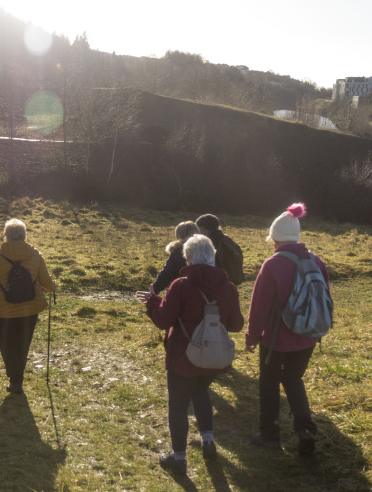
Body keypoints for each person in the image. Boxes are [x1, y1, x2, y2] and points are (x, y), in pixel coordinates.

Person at [135, 234, 243, 475]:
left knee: (178, 405)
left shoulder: (180, 285)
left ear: (189, 258)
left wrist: (153, 303)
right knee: (201, 391)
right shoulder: (229, 288)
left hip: (182, 358)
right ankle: (209, 441)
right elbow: (236, 325)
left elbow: (163, 320)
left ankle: (179, 458)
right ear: (212, 256)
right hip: (214, 358)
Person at [245, 203, 329, 455]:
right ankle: (305, 430)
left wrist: (251, 337)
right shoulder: (316, 261)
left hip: (276, 339)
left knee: (269, 383)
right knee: (293, 379)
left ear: (275, 238)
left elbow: (258, 307)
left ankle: (270, 435)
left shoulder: (272, 265)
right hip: (308, 336)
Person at [0, 219, 55, 394]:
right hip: (29, 309)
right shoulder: (36, 255)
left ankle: (14, 379)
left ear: (6, 236)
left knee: (6, 344)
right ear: (24, 236)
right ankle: (17, 380)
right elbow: (48, 285)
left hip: (3, 310)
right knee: (23, 344)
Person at [151, 221, 199, 295]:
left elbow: (166, 274)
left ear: (178, 234)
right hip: (206, 293)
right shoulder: (206, 249)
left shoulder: (177, 251)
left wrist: (153, 291)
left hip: (183, 291)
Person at [196, 214, 244, 285]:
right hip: (232, 282)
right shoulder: (228, 241)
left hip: (217, 284)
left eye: (198, 229)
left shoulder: (208, 244)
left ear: (204, 229)